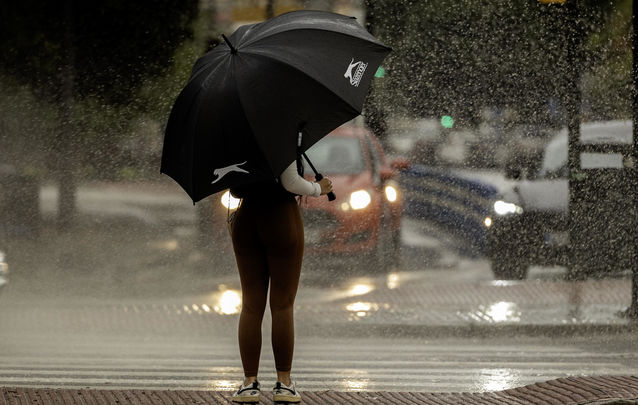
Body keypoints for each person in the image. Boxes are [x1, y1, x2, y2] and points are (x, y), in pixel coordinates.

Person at [229, 159, 332, 404]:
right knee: (282, 304)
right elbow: (290, 182)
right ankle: (284, 383)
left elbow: (233, 187)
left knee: (251, 305)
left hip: (246, 219)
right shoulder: (278, 132)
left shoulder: (234, 134)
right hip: (280, 216)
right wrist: (319, 189)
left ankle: (249, 384)